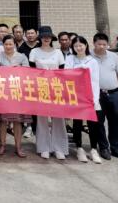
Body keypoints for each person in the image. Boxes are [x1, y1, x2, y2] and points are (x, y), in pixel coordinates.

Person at [0, 35, 30, 157]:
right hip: (3, 92)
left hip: (17, 92)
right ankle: (2, 145)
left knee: (17, 121)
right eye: (6, 44)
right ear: (3, 45)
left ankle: (18, 146)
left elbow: (28, 73)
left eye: (11, 44)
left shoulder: (22, 57)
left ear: (14, 45)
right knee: (3, 120)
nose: (8, 46)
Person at [29, 26, 68, 160]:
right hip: (41, 87)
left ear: (52, 38)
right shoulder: (34, 52)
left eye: (48, 36)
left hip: (56, 87)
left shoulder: (58, 53)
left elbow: (62, 71)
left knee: (59, 118)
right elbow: (31, 71)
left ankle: (59, 148)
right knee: (42, 119)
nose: (46, 39)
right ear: (40, 38)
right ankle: (44, 147)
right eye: (43, 36)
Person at [65, 36, 104, 164]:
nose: (79, 48)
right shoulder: (70, 59)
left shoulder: (92, 61)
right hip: (76, 96)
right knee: (77, 123)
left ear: (86, 45)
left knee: (93, 124)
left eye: (81, 45)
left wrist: (95, 98)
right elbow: (67, 76)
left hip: (89, 96)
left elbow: (96, 81)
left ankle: (93, 149)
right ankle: (79, 148)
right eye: (76, 46)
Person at [92, 32, 118, 161]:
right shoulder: (89, 56)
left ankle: (116, 148)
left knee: (114, 121)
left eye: (104, 44)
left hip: (114, 93)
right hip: (97, 95)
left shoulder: (113, 56)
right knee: (99, 122)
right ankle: (103, 148)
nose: (102, 46)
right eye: (99, 44)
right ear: (94, 43)